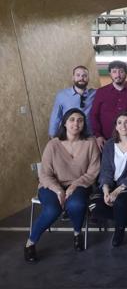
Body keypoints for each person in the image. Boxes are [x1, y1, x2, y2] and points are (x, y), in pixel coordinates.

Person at [24, 108, 100, 262]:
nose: (76, 123)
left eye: (80, 120)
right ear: (64, 123)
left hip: (79, 185)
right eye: (72, 119)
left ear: (84, 123)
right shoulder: (53, 144)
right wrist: (59, 190)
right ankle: (30, 243)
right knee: (53, 209)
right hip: (51, 186)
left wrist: (74, 186)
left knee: (77, 204)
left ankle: (77, 233)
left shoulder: (90, 143)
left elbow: (93, 172)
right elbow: (44, 174)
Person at [91, 112, 127, 247]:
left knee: (120, 203)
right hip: (111, 183)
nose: (123, 125)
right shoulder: (109, 144)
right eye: (119, 122)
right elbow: (106, 169)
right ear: (115, 126)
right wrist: (106, 190)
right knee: (94, 207)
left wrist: (118, 191)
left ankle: (119, 231)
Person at [90, 60, 127, 151]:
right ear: (110, 74)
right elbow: (94, 114)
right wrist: (98, 135)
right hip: (105, 140)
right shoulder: (101, 92)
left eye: (121, 71)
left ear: (126, 73)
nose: (118, 75)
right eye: (114, 71)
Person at [48, 65, 96, 137]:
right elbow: (56, 116)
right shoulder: (62, 95)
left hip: (90, 136)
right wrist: (52, 135)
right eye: (78, 75)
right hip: (69, 136)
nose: (81, 78)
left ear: (88, 78)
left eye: (84, 76)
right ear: (73, 77)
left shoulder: (95, 94)